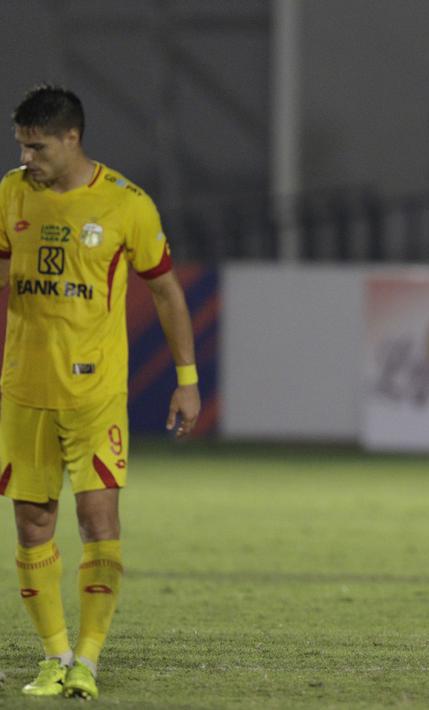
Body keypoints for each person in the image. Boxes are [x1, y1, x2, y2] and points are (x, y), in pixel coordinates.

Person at [1, 85, 200, 699]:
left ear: (72, 139)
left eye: (37, 147)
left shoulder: (125, 205)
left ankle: (87, 659)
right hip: (25, 391)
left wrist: (186, 380)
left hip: (95, 394)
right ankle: (54, 655)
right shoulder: (11, 194)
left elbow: (166, 291)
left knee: (97, 519)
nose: (28, 158)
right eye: (21, 146)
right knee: (33, 524)